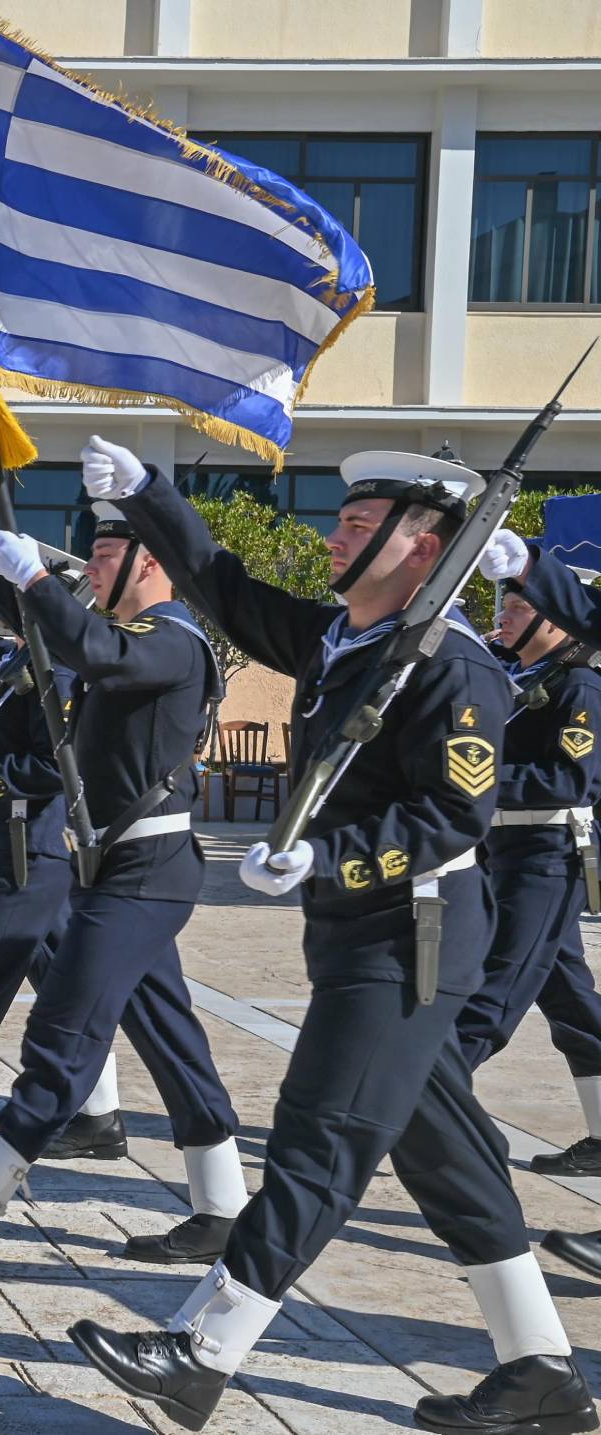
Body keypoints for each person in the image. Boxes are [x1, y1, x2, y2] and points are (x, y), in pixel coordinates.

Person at [68, 440, 590, 1435]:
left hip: (412, 936)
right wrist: (149, 494)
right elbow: (224, 588)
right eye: (344, 518)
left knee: (319, 1134)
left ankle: (203, 1349)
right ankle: (542, 1370)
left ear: (421, 544)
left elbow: (454, 816)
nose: (335, 534)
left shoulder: (454, 668)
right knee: (447, 1155)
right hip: (359, 935)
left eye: (359, 526)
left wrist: (333, 856)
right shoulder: (344, 641)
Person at [0, 499, 248, 1270]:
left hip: (145, 867)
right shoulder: (119, 639)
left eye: (106, 556)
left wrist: (36, 577)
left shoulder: (172, 643)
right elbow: (38, 628)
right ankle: (223, 1206)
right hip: (118, 863)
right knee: (172, 1036)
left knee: (61, 1037)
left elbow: (82, 639)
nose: (94, 567)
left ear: (151, 563)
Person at [456, 581, 601, 1169]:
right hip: (507, 849)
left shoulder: (580, 684)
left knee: (490, 993)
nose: (505, 616)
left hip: (548, 855)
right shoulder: (517, 679)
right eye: (504, 605)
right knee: (572, 1004)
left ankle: (413, 1105)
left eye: (519, 608)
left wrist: (474, 783)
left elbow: (573, 779)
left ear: (561, 619)